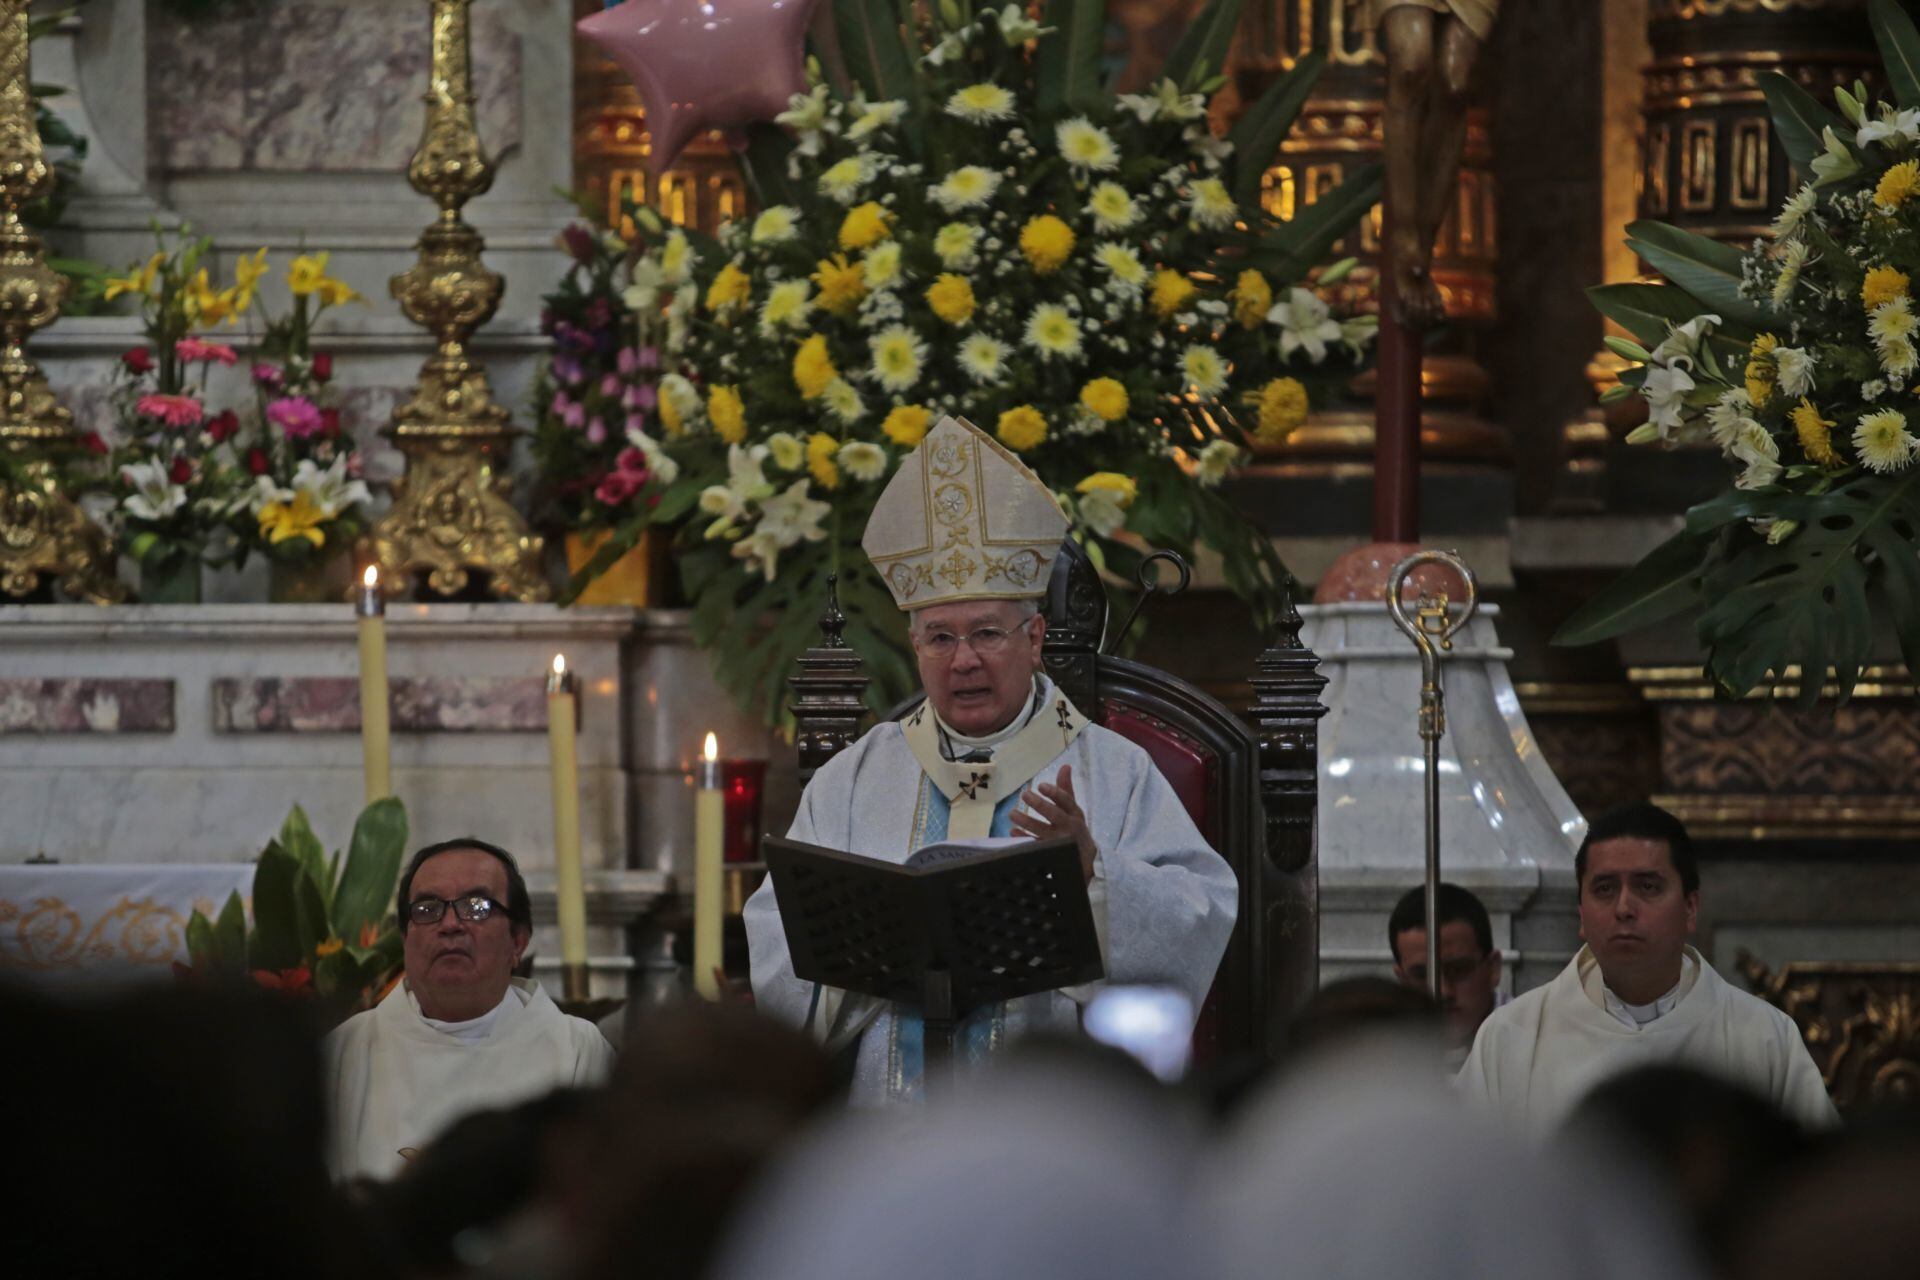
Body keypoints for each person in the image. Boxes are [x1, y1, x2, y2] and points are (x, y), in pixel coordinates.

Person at [744, 415, 1238, 1103]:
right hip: (887, 1136)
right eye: (940, 637)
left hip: (1057, 1125)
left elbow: (1202, 915)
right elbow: (777, 944)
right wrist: (867, 959)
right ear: (913, 645)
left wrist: (1097, 877)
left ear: (1034, 639)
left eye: (986, 633)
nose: (964, 659)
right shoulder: (854, 780)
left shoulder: (1113, 772)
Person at [1457, 802, 1837, 1134]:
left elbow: (1815, 1186)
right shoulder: (1511, 1038)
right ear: (1581, 914)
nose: (1624, 907)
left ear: (1690, 908)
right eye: (1605, 888)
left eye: (1648, 887)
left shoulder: (1765, 1037)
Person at [322, 838, 616, 1181]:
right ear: (405, 939)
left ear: (517, 941)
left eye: (476, 906)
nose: (449, 924)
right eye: (428, 908)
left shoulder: (578, 1050)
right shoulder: (346, 1050)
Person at [1387, 881, 1504, 1058]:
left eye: (1458, 970)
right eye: (1422, 975)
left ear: (1493, 968)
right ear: (1402, 980)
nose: (1442, 992)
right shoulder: (1382, 1052)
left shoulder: (1534, 1042)